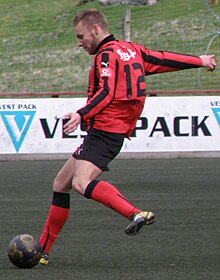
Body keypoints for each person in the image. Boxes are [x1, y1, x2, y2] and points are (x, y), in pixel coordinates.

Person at [39, 8, 217, 265]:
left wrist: (81, 113)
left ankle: (135, 213)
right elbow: (164, 58)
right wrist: (199, 60)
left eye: (81, 36)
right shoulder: (132, 49)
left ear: (96, 30)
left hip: (105, 132)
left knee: (80, 183)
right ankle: (43, 251)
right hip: (110, 131)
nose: (79, 43)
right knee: (61, 183)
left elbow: (107, 92)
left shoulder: (105, 55)